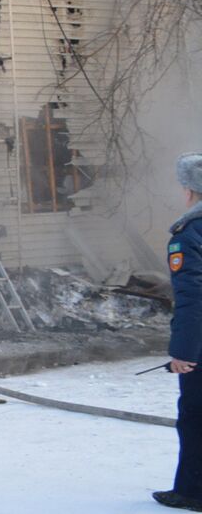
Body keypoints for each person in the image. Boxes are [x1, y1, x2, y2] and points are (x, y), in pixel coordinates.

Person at [157, 153, 202, 509]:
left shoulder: (187, 235)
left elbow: (193, 298)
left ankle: (191, 490)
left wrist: (184, 352)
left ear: (189, 190)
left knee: (194, 416)